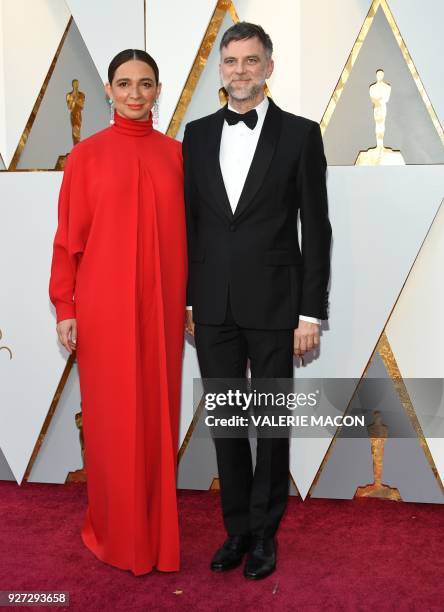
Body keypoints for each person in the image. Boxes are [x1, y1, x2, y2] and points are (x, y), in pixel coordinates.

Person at [183, 22, 331, 580]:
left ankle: (266, 535)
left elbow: (316, 229)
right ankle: (237, 529)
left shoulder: (300, 134)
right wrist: (190, 301)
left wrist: (310, 311)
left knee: (269, 425)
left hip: (277, 304)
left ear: (269, 68)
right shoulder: (195, 136)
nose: (240, 70)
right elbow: (192, 225)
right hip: (212, 308)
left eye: (251, 61)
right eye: (231, 61)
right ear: (220, 69)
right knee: (226, 423)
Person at [49, 49, 187, 575]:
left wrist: (191, 300)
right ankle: (113, 530)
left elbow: (194, 238)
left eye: (145, 84)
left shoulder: (177, 155)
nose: (134, 93)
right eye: (124, 83)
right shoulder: (85, 157)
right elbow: (67, 241)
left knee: (156, 414)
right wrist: (66, 305)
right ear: (107, 90)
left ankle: (156, 532)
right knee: (112, 422)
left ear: (158, 90)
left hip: (164, 309)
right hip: (103, 310)